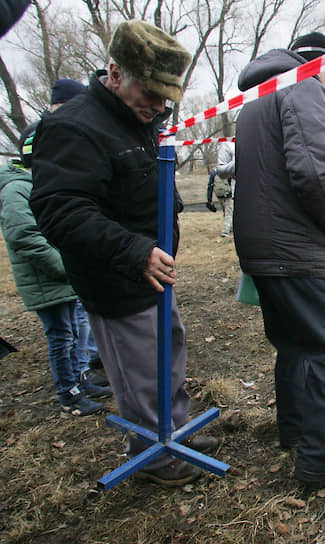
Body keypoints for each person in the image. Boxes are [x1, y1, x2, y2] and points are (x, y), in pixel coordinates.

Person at [30, 20, 217, 487]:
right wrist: (135, 252)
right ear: (114, 73)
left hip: (153, 273)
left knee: (168, 355)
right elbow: (61, 211)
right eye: (150, 94)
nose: (159, 107)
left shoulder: (137, 120)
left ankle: (174, 434)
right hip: (117, 278)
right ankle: (155, 460)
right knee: (139, 374)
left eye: (165, 97)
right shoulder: (74, 127)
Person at [232, 32, 325, 487]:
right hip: (296, 245)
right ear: (324, 64)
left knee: (294, 343)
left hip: (260, 243)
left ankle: (295, 432)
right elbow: (316, 170)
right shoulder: (303, 86)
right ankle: (324, 458)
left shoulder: (257, 99)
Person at [0, 163, 111, 416]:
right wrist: (64, 266)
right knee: (61, 337)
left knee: (73, 331)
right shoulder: (16, 189)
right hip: (45, 279)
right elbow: (23, 236)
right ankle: (68, 395)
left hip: (60, 276)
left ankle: (79, 381)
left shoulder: (37, 183)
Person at [214, 142, 235, 237]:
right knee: (229, 213)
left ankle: (229, 229)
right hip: (229, 194)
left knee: (226, 213)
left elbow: (210, 185)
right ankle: (226, 231)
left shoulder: (213, 173)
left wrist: (209, 199)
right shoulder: (227, 171)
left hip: (219, 195)